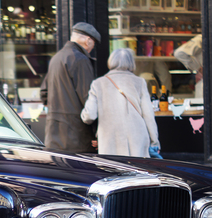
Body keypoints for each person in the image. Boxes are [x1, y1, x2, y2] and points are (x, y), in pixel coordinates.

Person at [80, 48, 160, 157]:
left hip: (110, 139)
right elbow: (148, 115)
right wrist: (155, 141)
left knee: (112, 170)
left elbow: (89, 115)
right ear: (131, 63)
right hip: (137, 137)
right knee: (138, 171)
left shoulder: (98, 83)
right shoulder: (139, 82)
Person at [40, 22, 100, 153]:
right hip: (77, 136)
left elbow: (44, 93)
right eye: (94, 43)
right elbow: (89, 100)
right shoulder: (81, 60)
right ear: (88, 40)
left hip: (54, 134)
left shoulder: (56, 58)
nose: (92, 47)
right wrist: (97, 133)